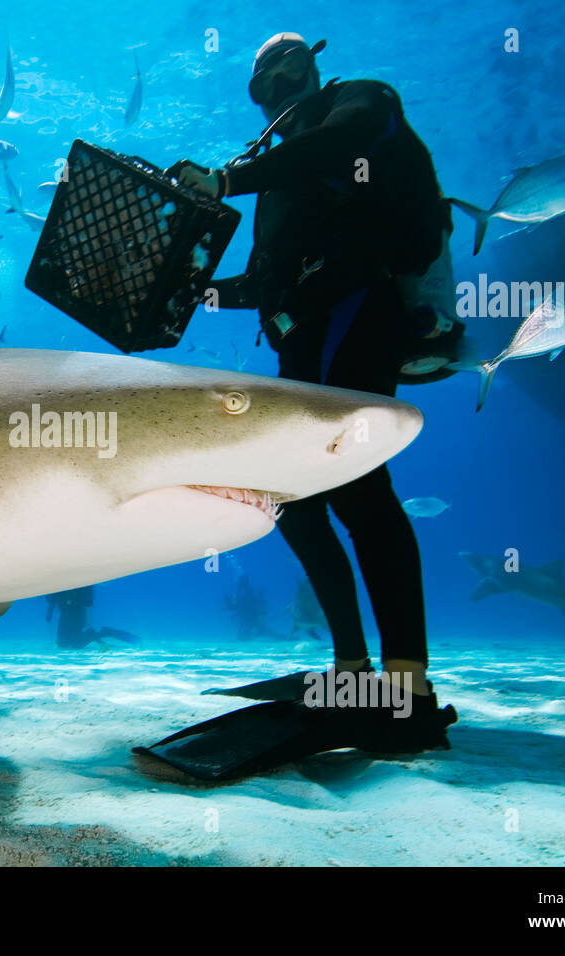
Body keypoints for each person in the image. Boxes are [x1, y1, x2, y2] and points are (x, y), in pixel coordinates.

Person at [140, 33, 458, 779]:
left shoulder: (361, 103)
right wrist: (187, 296)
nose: (280, 89)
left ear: (314, 67)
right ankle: (352, 668)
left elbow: (341, 142)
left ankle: (408, 686)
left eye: (292, 69)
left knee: (360, 487)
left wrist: (226, 177)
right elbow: (263, 285)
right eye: (264, 84)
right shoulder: (279, 181)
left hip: (361, 309)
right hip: (303, 343)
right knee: (294, 500)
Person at [45, 586, 139, 650]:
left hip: (77, 612)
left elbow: (88, 602)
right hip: (65, 612)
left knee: (75, 645)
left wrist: (88, 622)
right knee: (63, 644)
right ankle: (101, 634)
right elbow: (53, 596)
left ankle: (106, 632)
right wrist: (50, 612)